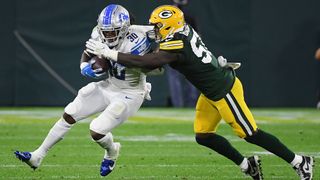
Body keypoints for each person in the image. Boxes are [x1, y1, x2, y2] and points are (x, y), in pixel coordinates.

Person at [85, 5, 315, 180]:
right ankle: (248, 165)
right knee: (203, 136)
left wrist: (111, 54)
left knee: (250, 133)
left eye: (157, 25)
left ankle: (300, 161)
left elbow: (151, 61)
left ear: (168, 26)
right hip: (210, 91)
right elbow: (156, 61)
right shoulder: (181, 31)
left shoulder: (176, 43)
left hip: (223, 90)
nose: (154, 28)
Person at [14, 4, 158, 177]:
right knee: (70, 112)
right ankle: (38, 155)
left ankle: (112, 152)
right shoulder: (98, 33)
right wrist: (84, 66)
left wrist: (155, 53)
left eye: (112, 32)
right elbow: (88, 51)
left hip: (131, 93)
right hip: (110, 85)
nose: (107, 35)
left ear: (125, 28)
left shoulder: (142, 35)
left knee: (97, 130)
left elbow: (153, 51)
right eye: (105, 31)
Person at [165, 0, 199, 107]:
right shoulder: (168, 16)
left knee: (190, 79)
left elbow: (197, 36)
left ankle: (190, 104)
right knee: (176, 80)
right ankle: (179, 105)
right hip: (173, 52)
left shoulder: (188, 16)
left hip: (185, 53)